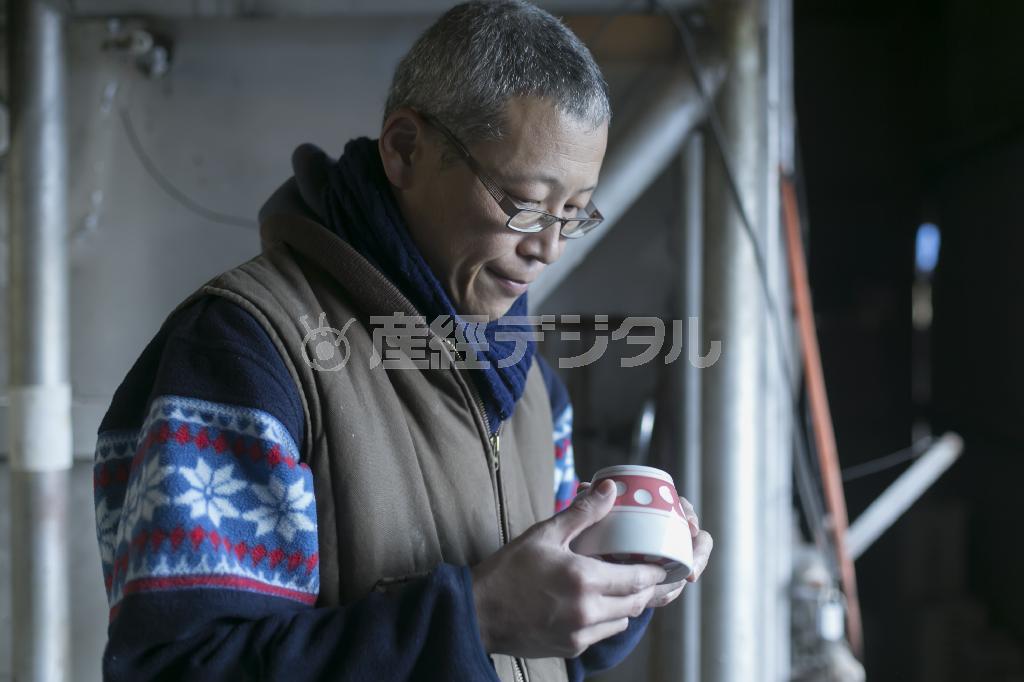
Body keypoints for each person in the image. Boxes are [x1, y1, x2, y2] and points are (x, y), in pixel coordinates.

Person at [92, 2, 713, 680]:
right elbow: (177, 670)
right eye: (524, 203)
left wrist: (620, 581)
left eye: (573, 214)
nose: (547, 248)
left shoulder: (532, 386)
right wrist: (474, 619)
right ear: (405, 149)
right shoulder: (247, 354)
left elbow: (552, 645)